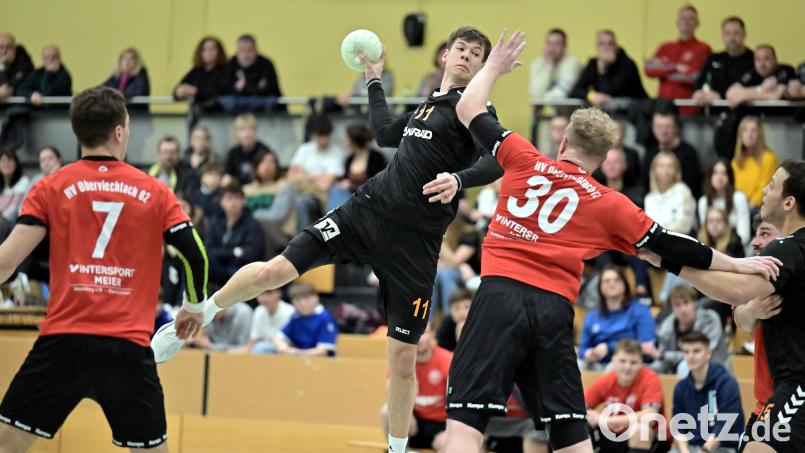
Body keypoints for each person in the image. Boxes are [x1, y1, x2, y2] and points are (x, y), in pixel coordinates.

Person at [154, 26, 505, 453]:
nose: (467, 57)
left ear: (482, 65)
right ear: (446, 56)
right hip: (366, 212)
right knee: (275, 270)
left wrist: (458, 178)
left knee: (402, 362)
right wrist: (373, 79)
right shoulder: (430, 102)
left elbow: (497, 159)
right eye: (462, 50)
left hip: (416, 244)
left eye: (476, 54)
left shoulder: (477, 108)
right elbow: (385, 134)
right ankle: (199, 315)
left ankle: (395, 449)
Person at [435, 30, 775, 453]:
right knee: (570, 436)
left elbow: (468, 105)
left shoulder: (522, 155)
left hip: (498, 297)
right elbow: (675, 246)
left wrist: (495, 68)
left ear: (562, 142)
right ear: (602, 160)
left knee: (466, 426)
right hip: (553, 309)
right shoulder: (610, 204)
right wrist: (741, 264)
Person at [0, 86, 208, 452]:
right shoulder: (156, 191)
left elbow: (5, 262)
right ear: (119, 132)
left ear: (78, 132)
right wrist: (193, 306)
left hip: (63, 344)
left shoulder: (49, 187)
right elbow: (195, 255)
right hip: (126, 347)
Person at [732, 215, 780, 449]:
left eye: (764, 233)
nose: (754, 242)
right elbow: (742, 320)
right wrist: (753, 309)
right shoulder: (752, 278)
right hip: (766, 403)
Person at [585, 339, 667, 453]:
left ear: (641, 363)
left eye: (633, 362)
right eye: (622, 361)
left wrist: (608, 420)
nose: (627, 367)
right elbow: (580, 406)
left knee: (639, 429)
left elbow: (650, 417)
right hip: (615, 437)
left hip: (652, 439)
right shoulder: (607, 380)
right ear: (613, 361)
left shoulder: (650, 378)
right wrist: (590, 413)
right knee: (581, 425)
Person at [381, 323, 451, 453]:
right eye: (414, 333)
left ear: (433, 334)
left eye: (423, 333)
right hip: (414, 422)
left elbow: (456, 400)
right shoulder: (400, 360)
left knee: (446, 443)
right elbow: (391, 395)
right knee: (387, 411)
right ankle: (401, 450)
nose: (418, 338)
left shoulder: (447, 359)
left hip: (441, 424)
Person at [671, 331, 744, 453]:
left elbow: (725, 425)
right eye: (686, 352)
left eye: (696, 351)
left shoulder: (726, 383)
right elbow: (678, 426)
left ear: (708, 353)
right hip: (691, 447)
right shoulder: (681, 387)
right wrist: (684, 451)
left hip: (722, 448)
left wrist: (705, 451)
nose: (691, 356)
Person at [578, 265, 657, 371]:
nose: (612, 284)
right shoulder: (592, 315)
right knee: (578, 365)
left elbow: (646, 345)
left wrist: (609, 348)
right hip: (598, 363)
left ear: (625, 284)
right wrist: (588, 353)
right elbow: (582, 348)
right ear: (600, 287)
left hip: (629, 364)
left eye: (616, 280)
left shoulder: (640, 311)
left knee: (615, 367)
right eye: (607, 281)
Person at [644, 5, 711, 115]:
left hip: (689, 109)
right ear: (677, 22)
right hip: (663, 109)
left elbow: (694, 76)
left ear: (697, 23)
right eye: (682, 18)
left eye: (690, 18)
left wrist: (663, 70)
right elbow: (648, 69)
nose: (686, 21)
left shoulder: (704, 48)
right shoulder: (665, 47)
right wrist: (674, 67)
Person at [653, 285, 730, 375]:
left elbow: (701, 355)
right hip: (678, 375)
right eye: (677, 305)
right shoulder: (666, 329)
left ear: (694, 303)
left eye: (686, 303)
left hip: (715, 371)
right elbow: (663, 361)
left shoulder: (709, 320)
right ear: (672, 308)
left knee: (685, 366)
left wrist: (664, 356)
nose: (683, 309)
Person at [205, 183, 265, 286]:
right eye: (229, 198)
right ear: (221, 202)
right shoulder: (216, 222)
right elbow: (209, 249)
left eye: (237, 198)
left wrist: (222, 255)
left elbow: (250, 255)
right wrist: (234, 252)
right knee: (198, 263)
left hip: (241, 270)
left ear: (243, 201)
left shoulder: (252, 224)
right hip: (219, 268)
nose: (233, 202)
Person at [570, 30, 648, 108]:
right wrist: (592, 96)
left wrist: (603, 68)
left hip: (634, 109)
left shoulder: (627, 64)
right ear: (596, 47)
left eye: (610, 43)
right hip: (612, 111)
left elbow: (609, 92)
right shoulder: (593, 64)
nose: (605, 47)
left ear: (616, 46)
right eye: (601, 44)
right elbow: (576, 90)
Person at [692, 16, 754, 105]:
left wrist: (720, 96)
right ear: (722, 36)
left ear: (744, 34)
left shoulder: (754, 59)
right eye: (727, 33)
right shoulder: (713, 58)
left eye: (736, 33)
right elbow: (699, 82)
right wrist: (699, 93)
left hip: (745, 110)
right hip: (716, 111)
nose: (732, 38)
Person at [244, 150, 295, 253]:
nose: (267, 166)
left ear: (277, 166)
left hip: (282, 237)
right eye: (263, 162)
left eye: (271, 162)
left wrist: (252, 216)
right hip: (252, 235)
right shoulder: (247, 190)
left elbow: (277, 215)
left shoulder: (285, 186)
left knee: (265, 225)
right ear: (256, 166)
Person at [642, 111, 703, 199]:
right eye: (659, 127)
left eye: (668, 127)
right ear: (653, 128)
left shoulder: (689, 153)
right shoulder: (650, 153)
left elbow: (694, 188)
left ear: (676, 128)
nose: (663, 131)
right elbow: (645, 186)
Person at [327, 122, 388, 211]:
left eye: (346, 137)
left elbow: (377, 184)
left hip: (369, 198)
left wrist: (352, 185)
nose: (344, 140)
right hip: (350, 198)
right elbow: (345, 179)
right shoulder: (349, 159)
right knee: (336, 190)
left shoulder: (376, 158)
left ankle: (336, 218)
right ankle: (336, 217)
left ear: (353, 140)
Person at [220, 34, 285, 113]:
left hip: (261, 101)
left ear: (256, 50)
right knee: (226, 101)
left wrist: (241, 89)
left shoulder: (266, 63)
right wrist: (256, 87)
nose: (246, 55)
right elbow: (225, 88)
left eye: (249, 50)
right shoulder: (231, 64)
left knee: (271, 101)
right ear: (237, 51)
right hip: (238, 102)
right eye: (242, 50)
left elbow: (271, 88)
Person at [699, 159, 752, 248]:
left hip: (735, 248)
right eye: (715, 173)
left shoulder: (738, 198)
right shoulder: (703, 202)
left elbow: (744, 236)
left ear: (730, 177)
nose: (719, 177)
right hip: (712, 249)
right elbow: (705, 233)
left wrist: (727, 247)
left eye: (724, 173)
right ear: (710, 177)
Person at [274, 283, 338, 357]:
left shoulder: (324, 317)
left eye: (306, 299)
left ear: (316, 297)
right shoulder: (295, 316)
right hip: (298, 360)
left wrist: (295, 353)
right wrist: (283, 347)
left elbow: (322, 351)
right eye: (298, 299)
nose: (303, 303)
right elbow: (279, 337)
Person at [726, 45, 796, 108]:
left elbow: (775, 96)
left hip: (782, 116)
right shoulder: (754, 73)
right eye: (758, 60)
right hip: (757, 116)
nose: (762, 64)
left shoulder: (785, 70)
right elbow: (730, 93)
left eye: (766, 59)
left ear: (775, 60)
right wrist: (760, 89)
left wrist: (744, 95)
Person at [644, 151, 697, 235]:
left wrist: (659, 234)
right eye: (661, 166)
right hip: (654, 245)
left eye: (670, 166)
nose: (666, 171)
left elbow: (685, 226)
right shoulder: (649, 198)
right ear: (654, 170)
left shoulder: (683, 191)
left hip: (679, 243)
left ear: (676, 170)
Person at [731, 117, 778, 209]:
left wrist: (749, 207)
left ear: (759, 135)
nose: (749, 134)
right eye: (745, 130)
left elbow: (764, 186)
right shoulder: (736, 161)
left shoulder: (769, 157)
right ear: (740, 135)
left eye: (754, 130)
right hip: (739, 206)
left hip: (759, 208)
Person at [173, 36, 228, 111]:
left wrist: (195, 91)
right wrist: (179, 91)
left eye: (212, 49)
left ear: (219, 51)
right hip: (198, 113)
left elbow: (219, 91)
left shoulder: (226, 70)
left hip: (219, 114)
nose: (209, 52)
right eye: (205, 49)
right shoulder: (197, 70)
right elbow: (180, 87)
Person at [234, 288, 294, 354]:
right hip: (263, 353)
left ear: (278, 293)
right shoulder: (258, 311)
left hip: (286, 353)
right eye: (260, 293)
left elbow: (288, 344)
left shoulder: (290, 312)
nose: (264, 298)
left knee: (261, 348)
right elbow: (253, 341)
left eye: (268, 293)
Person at [528, 28, 581, 100]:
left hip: (571, 108)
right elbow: (535, 92)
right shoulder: (537, 63)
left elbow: (563, 92)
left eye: (557, 44)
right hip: (551, 106)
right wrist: (549, 65)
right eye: (549, 43)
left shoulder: (572, 62)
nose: (552, 48)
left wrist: (542, 98)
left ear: (564, 46)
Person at [223, 113, 272, 186]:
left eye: (250, 129)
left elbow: (270, 177)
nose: (247, 134)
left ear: (255, 131)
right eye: (242, 129)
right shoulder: (233, 153)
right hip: (238, 191)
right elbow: (228, 177)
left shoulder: (264, 151)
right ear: (236, 133)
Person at [187, 302, 252, 351]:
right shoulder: (210, 315)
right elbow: (204, 340)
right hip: (213, 356)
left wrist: (212, 347)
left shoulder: (243, 313)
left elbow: (244, 348)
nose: (210, 317)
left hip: (237, 360)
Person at [436, 287, 472, 352]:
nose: (462, 313)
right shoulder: (447, 324)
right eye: (457, 308)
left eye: (466, 307)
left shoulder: (479, 321)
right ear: (450, 311)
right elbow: (441, 353)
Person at [0, 33, 33, 100]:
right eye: (1, 47)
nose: (4, 51)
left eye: (8, 47)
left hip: (17, 105)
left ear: (14, 48)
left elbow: (9, 89)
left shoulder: (22, 59)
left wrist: (2, 67)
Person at [0, 150, 30, 224]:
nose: (6, 164)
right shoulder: (2, 184)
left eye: (10, 160)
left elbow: (13, 210)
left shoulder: (23, 181)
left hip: (11, 221)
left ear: (16, 163)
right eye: (3, 161)